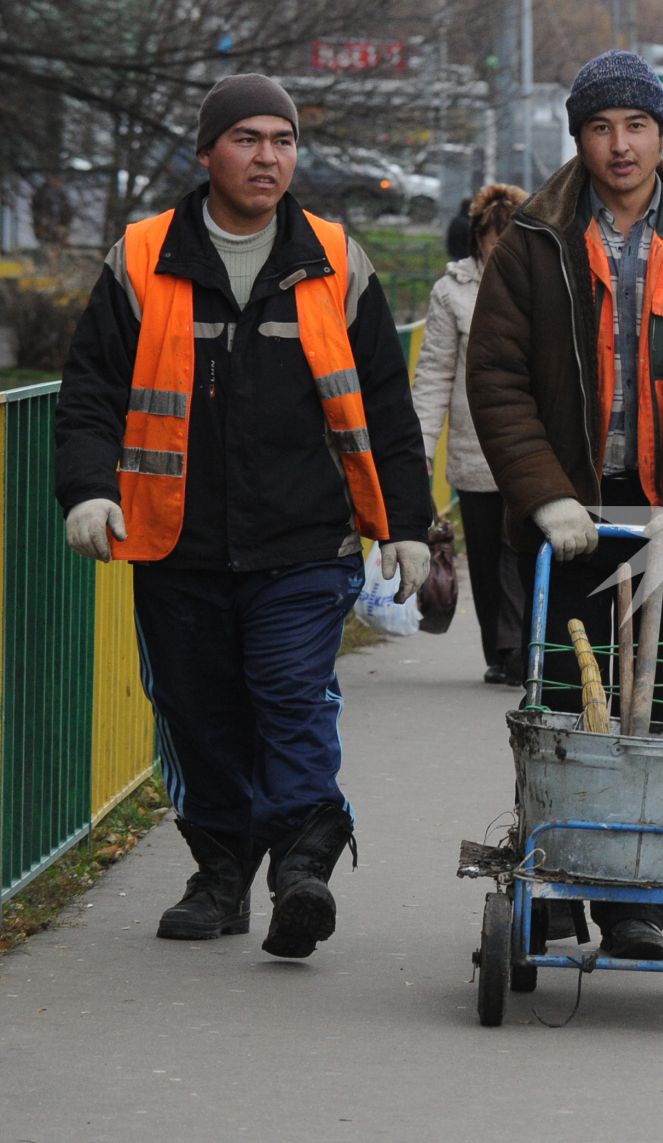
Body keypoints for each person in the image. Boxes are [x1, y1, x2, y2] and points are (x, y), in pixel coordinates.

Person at [54, 73, 433, 958]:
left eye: (284, 141)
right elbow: (90, 393)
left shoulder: (338, 259)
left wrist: (408, 523)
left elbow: (384, 403)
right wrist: (87, 488)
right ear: (207, 153)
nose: (269, 157)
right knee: (196, 709)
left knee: (289, 695)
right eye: (248, 139)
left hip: (307, 541)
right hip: (174, 537)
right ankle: (219, 870)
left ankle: (303, 861)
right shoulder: (142, 256)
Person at [466, 49, 663, 960]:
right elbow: (498, 378)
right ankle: (559, 881)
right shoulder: (534, 238)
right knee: (562, 701)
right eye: (601, 126)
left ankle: (642, 900)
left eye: (636, 125)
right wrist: (546, 495)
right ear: (580, 137)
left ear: (660, 133)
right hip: (574, 521)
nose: (620, 145)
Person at [412, 184, 530, 685]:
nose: (500, 248)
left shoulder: (546, 285)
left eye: (511, 237)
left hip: (533, 446)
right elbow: (434, 372)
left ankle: (524, 648)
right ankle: (499, 652)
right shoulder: (452, 292)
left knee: (522, 551)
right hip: (474, 447)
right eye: (492, 237)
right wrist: (420, 447)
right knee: (484, 555)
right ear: (477, 238)